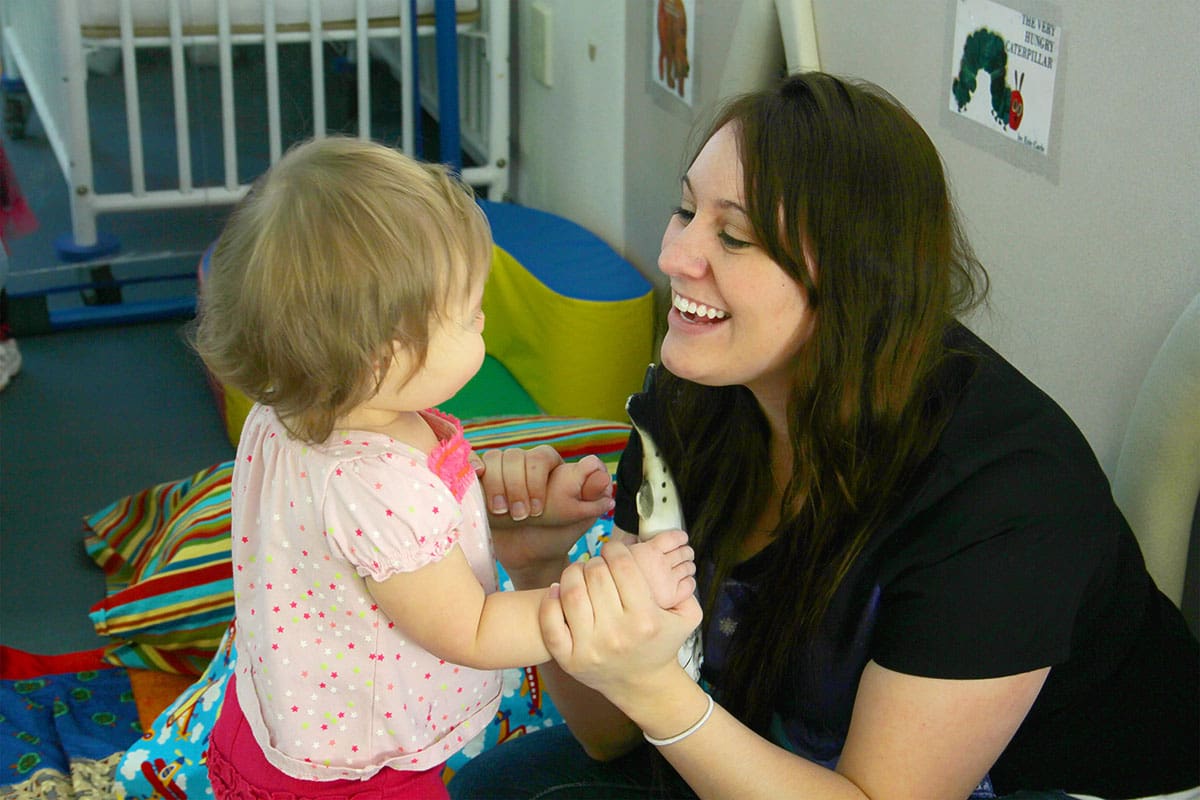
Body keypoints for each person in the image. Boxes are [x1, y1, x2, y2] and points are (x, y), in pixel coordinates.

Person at [449, 72, 1200, 800]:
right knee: (503, 787)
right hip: (795, 747)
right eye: (686, 212)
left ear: (854, 277)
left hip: (1050, 785)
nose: (675, 257)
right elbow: (610, 736)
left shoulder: (1004, 497)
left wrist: (662, 695)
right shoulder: (694, 399)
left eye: (734, 236)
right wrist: (542, 568)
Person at [191, 136, 698, 800]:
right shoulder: (377, 487)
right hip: (357, 777)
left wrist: (490, 501)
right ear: (381, 357)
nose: (483, 318)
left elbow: (374, 527)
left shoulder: (286, 409)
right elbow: (476, 629)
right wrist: (605, 596)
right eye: (468, 315)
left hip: (270, 729)